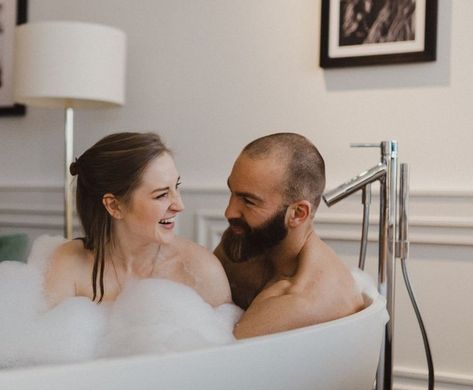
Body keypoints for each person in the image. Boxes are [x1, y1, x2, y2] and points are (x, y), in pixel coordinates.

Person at [44, 132, 231, 309]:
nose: (179, 205)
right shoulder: (67, 263)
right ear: (114, 206)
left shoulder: (200, 271)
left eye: (177, 187)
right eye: (162, 195)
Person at [214, 133, 364, 339]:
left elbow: (220, 363)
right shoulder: (249, 245)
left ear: (297, 214)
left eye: (249, 201)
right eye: (232, 192)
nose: (229, 212)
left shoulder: (299, 301)